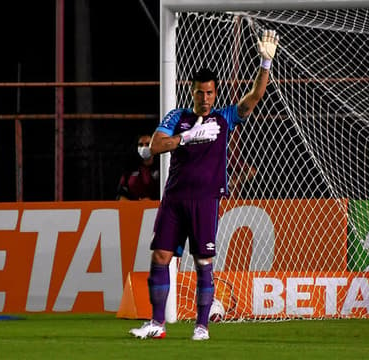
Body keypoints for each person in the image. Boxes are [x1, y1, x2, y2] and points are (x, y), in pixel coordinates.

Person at [129, 29, 280, 341]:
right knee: (160, 256)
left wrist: (265, 64)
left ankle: (201, 326)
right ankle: (157, 323)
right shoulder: (178, 116)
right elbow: (155, 146)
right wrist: (186, 137)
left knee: (203, 262)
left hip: (205, 200)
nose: (205, 97)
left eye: (210, 93)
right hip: (173, 199)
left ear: (215, 93)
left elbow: (254, 97)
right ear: (193, 92)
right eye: (200, 92)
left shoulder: (225, 118)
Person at [116, 134, 160, 201]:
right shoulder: (130, 168)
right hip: (134, 208)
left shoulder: (162, 168)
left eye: (148, 144)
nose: (144, 147)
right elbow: (121, 192)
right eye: (141, 145)